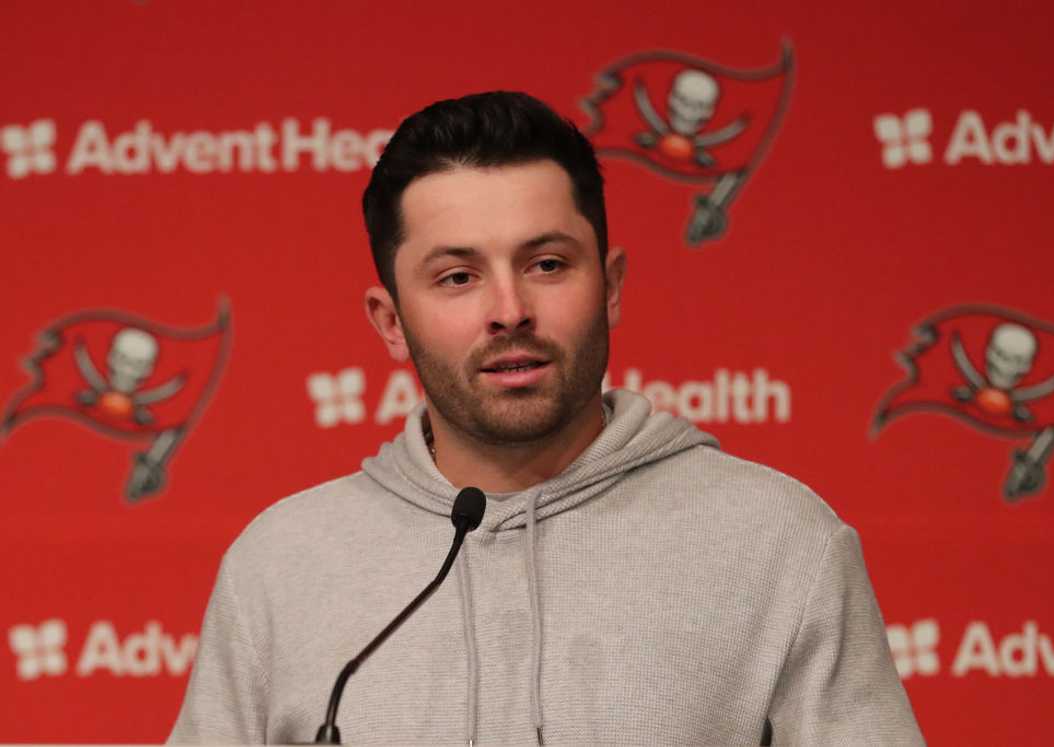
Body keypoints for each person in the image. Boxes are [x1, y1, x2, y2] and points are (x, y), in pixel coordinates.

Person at [169, 91, 923, 745]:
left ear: (612, 284)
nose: (509, 311)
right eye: (458, 277)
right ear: (390, 321)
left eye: (547, 264)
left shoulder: (778, 542)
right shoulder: (279, 565)